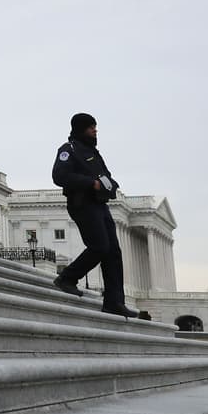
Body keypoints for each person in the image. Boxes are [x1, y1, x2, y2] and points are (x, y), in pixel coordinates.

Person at [50, 112, 140, 318]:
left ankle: (114, 301)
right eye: (91, 127)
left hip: (100, 204)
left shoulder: (93, 152)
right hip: (81, 204)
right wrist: (90, 183)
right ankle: (67, 278)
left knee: (113, 253)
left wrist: (110, 186)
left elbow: (106, 176)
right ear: (81, 128)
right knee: (99, 246)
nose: (95, 130)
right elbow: (59, 176)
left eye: (95, 127)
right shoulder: (68, 150)